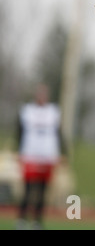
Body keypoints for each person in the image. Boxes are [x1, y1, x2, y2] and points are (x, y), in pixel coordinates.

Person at [16, 83, 63, 230]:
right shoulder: (27, 111)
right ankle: (22, 219)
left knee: (43, 190)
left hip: (47, 155)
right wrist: (18, 150)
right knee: (28, 188)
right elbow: (19, 132)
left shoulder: (53, 112)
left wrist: (62, 153)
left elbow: (59, 134)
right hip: (30, 154)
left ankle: (37, 221)